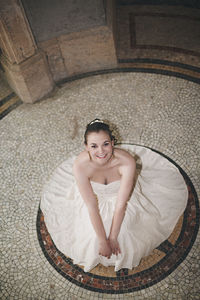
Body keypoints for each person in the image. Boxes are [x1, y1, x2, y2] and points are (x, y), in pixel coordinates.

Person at [41, 119, 188, 272]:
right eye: (94, 146)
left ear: (112, 142)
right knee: (92, 238)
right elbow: (91, 205)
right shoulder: (80, 165)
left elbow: (121, 204)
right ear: (86, 147)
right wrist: (102, 240)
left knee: (125, 233)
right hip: (92, 200)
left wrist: (112, 237)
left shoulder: (126, 162)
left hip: (122, 199)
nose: (101, 151)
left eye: (105, 144)